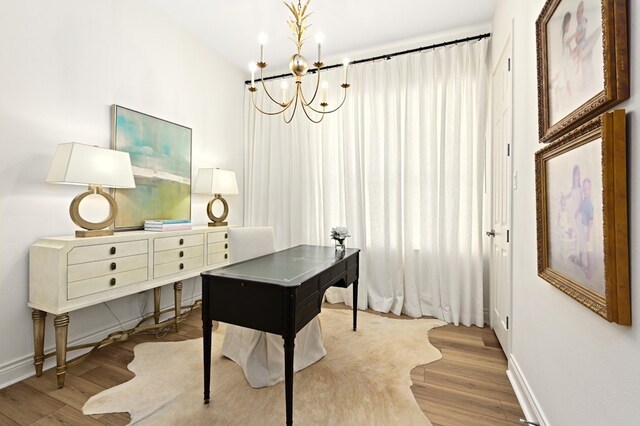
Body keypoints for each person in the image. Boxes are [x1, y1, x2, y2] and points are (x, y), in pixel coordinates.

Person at [574, 177, 593, 279]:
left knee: (589, 249)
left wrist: (589, 233)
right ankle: (582, 262)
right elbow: (581, 207)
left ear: (590, 190)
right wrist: (577, 212)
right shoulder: (584, 200)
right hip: (583, 227)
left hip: (588, 229)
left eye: (587, 188)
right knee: (584, 247)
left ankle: (589, 271)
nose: (585, 191)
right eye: (584, 189)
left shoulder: (589, 203)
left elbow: (591, 220)